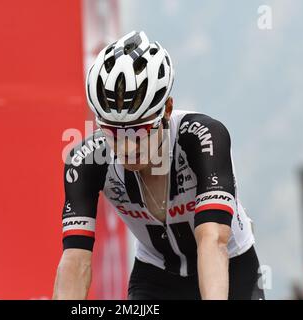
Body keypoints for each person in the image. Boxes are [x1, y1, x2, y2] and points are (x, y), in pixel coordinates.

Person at [53, 31, 264, 300]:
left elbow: (213, 240)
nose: (127, 146)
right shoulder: (86, 160)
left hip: (231, 266)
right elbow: (75, 260)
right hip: (157, 277)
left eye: (140, 130)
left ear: (166, 110)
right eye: (112, 132)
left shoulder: (203, 137)